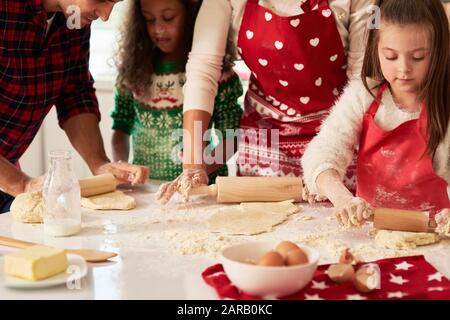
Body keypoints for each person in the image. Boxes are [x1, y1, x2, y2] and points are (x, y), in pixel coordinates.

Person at [157, 0, 377, 204]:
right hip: (264, 142)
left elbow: (363, 79)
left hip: (338, 140)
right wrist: (194, 163)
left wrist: (327, 161)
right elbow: (203, 70)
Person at [301, 0, 450, 229]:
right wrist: (342, 199)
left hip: (435, 235)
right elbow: (323, 151)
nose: (404, 69)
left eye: (418, 57)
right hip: (372, 233)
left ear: (439, 51)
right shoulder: (363, 96)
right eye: (391, 56)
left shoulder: (444, 105)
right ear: (375, 48)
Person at [0, 0, 149, 214]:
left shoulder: (74, 20)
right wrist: (20, 184)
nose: (106, 15)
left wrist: (99, 164)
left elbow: (75, 93)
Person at [111, 0, 243, 183]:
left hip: (203, 189)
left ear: (192, 16)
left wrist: (200, 168)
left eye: (168, 18)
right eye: (149, 20)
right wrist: (122, 166)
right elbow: (120, 128)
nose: (158, 28)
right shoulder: (133, 72)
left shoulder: (218, 76)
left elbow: (232, 137)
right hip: (147, 189)